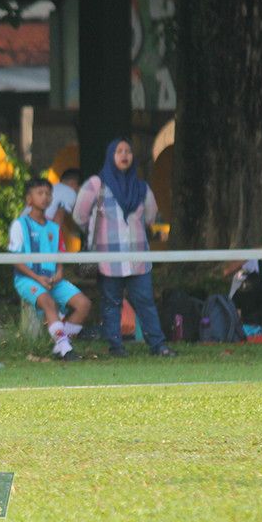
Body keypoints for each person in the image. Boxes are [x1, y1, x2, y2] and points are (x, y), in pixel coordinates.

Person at [72, 138, 177, 358]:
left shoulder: (141, 187)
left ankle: (158, 346)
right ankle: (116, 347)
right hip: (107, 259)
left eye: (128, 151)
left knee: (146, 303)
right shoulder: (96, 185)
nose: (124, 155)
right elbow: (79, 215)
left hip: (137, 258)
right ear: (111, 156)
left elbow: (149, 217)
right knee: (111, 304)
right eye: (119, 151)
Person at [9, 177, 92, 361]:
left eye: (48, 194)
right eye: (40, 193)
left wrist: (59, 274)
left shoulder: (54, 228)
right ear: (29, 199)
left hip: (53, 279)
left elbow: (59, 257)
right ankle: (66, 350)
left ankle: (60, 347)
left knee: (84, 304)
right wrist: (37, 278)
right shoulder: (20, 225)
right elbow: (15, 259)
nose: (45, 197)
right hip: (28, 279)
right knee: (49, 303)